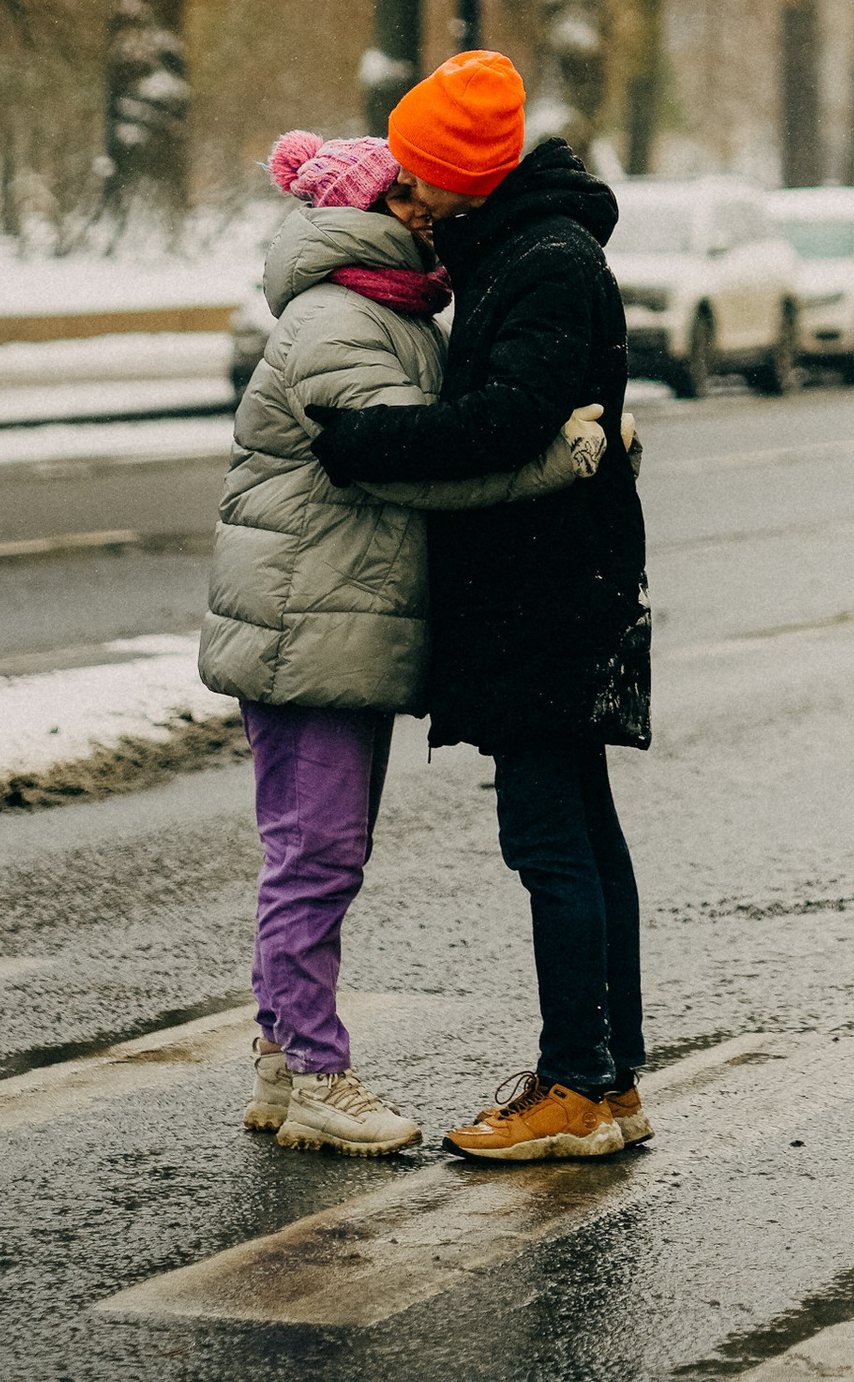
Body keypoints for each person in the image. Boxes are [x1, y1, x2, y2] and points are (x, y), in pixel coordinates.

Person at [200, 126, 605, 1153]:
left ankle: (284, 1060)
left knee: (313, 849)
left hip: (332, 616)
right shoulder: (341, 319)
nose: (430, 212)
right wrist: (555, 460)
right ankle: (318, 1073)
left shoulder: (388, 312)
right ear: (359, 218)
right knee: (318, 854)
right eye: (408, 200)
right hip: (309, 622)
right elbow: (397, 465)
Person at [309, 50, 652, 1167]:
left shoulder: (544, 262)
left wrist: (361, 440)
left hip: (546, 587)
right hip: (552, 580)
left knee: (550, 838)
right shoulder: (518, 250)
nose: (403, 194)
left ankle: (574, 1084)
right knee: (582, 835)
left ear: (465, 177)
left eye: (416, 176)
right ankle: (608, 1081)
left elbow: (507, 421)